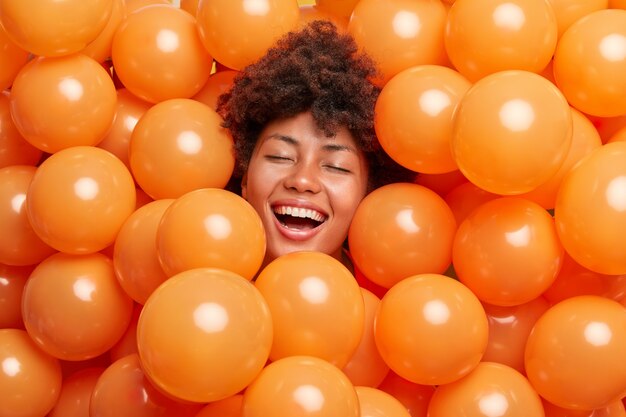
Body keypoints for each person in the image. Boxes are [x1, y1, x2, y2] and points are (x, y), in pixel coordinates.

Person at [217, 20, 415, 272]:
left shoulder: (392, 306)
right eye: (281, 156)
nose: (302, 181)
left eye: (336, 167)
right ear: (245, 179)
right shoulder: (199, 299)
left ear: (367, 196)